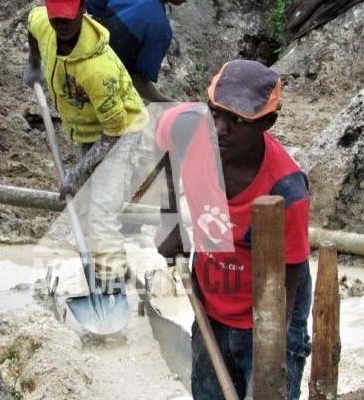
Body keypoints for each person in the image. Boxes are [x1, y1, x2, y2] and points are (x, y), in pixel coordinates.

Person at [154, 59, 312, 399]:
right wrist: (169, 219)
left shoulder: (285, 192)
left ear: (266, 123)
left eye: (237, 121)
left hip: (270, 307)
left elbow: (289, 278)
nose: (219, 128)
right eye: (215, 112)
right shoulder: (186, 128)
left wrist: (270, 354)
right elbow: (161, 142)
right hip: (213, 296)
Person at [23, 0, 147, 292]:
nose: (62, 25)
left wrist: (77, 173)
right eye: (57, 19)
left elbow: (113, 133)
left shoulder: (97, 69)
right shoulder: (45, 24)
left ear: (82, 10)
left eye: (68, 18)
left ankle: (111, 293)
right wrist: (33, 64)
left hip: (121, 133)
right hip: (87, 128)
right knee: (86, 208)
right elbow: (32, 24)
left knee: (103, 216)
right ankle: (101, 274)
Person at [85, 0, 186, 103]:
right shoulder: (160, 28)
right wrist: (166, 102)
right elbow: (139, 82)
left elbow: (88, 7)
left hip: (80, 58)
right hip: (100, 90)